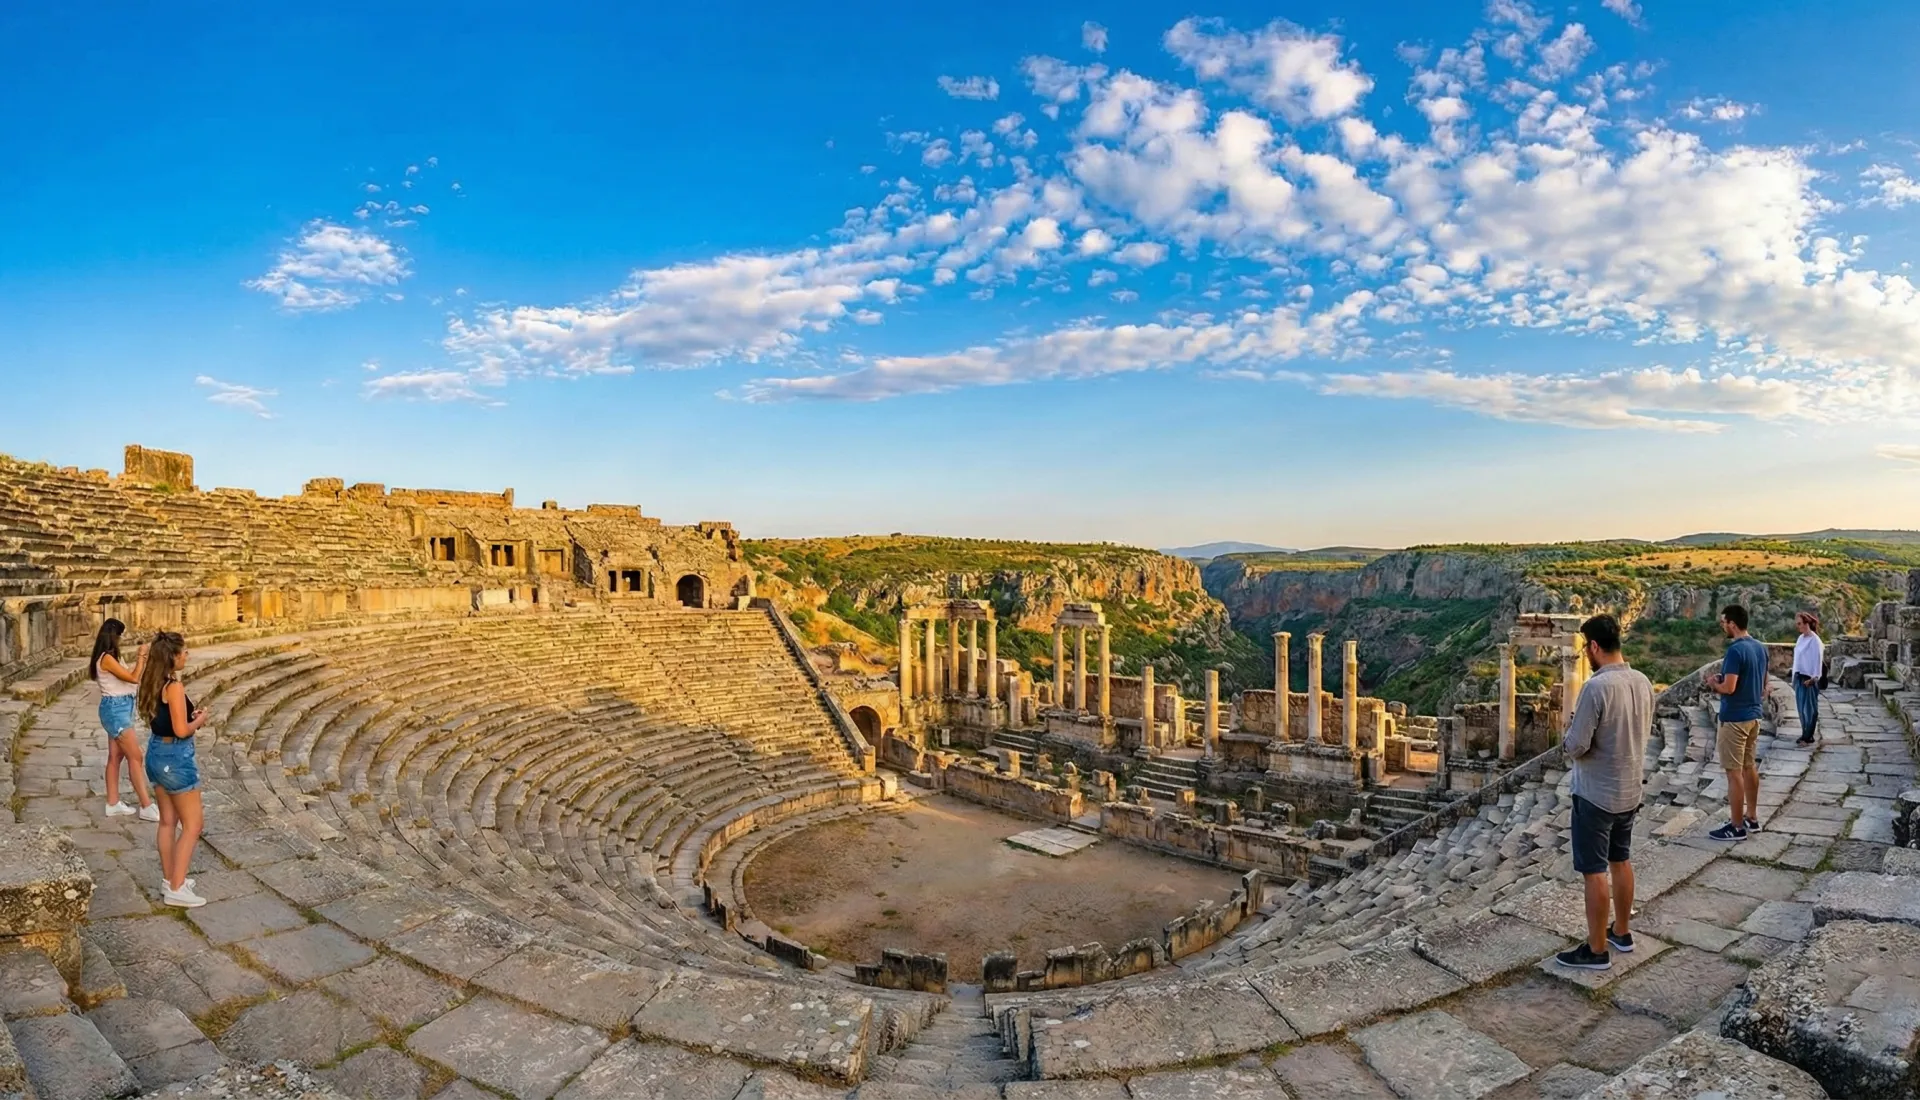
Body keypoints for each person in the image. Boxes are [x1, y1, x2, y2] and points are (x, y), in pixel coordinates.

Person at [1554, 614, 1655, 972]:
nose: (1586, 654)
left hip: (1596, 793)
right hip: (1629, 790)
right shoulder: (1642, 681)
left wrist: (1566, 730)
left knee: (1594, 871)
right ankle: (1621, 932)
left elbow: (1577, 746)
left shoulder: (1596, 687)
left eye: (1586, 647)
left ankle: (1596, 949)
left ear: (1594, 646)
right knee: (1621, 860)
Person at [136, 632, 210, 907]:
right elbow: (181, 730)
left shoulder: (151, 681)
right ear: (173, 657)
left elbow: (168, 721)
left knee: (168, 822)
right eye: (184, 652)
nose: (186, 656)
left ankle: (171, 879)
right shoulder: (174, 687)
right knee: (193, 825)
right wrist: (200, 720)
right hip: (175, 757)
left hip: (156, 753)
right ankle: (177, 888)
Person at [1704, 605, 1768, 841]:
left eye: (1723, 622)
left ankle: (1736, 826)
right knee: (1749, 766)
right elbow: (1763, 687)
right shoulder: (1760, 648)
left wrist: (1713, 683)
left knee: (1733, 773)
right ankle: (1751, 818)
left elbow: (1729, 688)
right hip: (1754, 717)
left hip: (1734, 720)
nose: (1722, 626)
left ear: (1732, 623)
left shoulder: (1735, 651)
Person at [90, 619, 159, 821]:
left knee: (116, 757)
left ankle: (113, 803)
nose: (121, 640)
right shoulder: (106, 659)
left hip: (121, 707)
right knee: (135, 756)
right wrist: (141, 658)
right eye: (119, 636)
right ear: (113, 636)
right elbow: (133, 678)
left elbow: (130, 677)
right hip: (115, 710)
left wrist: (142, 661)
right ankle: (146, 805)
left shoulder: (111, 658)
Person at [1792, 612, 1825, 746]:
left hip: (1809, 678)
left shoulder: (1815, 640)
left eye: (1800, 623)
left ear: (1807, 624)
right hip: (1799, 676)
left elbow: (1818, 660)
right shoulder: (1801, 638)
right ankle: (1804, 733)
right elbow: (1798, 657)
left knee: (1810, 708)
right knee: (1801, 708)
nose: (1798, 626)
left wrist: (1814, 678)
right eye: (1797, 624)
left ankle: (1808, 736)